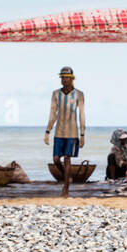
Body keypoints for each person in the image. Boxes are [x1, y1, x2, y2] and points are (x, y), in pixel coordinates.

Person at [44, 66, 85, 197]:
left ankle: (65, 188)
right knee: (56, 159)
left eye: (67, 77)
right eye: (62, 77)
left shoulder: (79, 94)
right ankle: (67, 178)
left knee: (67, 159)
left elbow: (82, 115)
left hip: (72, 132)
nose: (64, 80)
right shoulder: (56, 93)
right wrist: (48, 131)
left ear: (72, 79)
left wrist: (82, 134)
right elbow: (52, 113)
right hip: (59, 132)